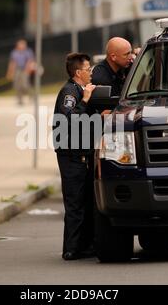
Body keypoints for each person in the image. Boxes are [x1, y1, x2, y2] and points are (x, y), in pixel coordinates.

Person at [53, 53, 97, 261]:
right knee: (74, 203)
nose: (91, 72)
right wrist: (86, 100)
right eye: (88, 69)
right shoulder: (70, 92)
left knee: (85, 201)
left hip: (81, 154)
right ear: (78, 72)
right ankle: (71, 249)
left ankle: (84, 246)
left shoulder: (78, 90)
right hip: (71, 155)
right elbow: (68, 120)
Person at [6, 39, 36, 106]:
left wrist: (27, 70)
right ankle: (20, 100)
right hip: (17, 70)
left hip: (25, 69)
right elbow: (12, 63)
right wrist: (10, 72)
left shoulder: (28, 52)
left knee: (25, 84)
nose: (23, 46)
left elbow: (30, 61)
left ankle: (32, 96)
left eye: (23, 44)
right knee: (17, 85)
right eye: (21, 44)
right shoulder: (14, 52)